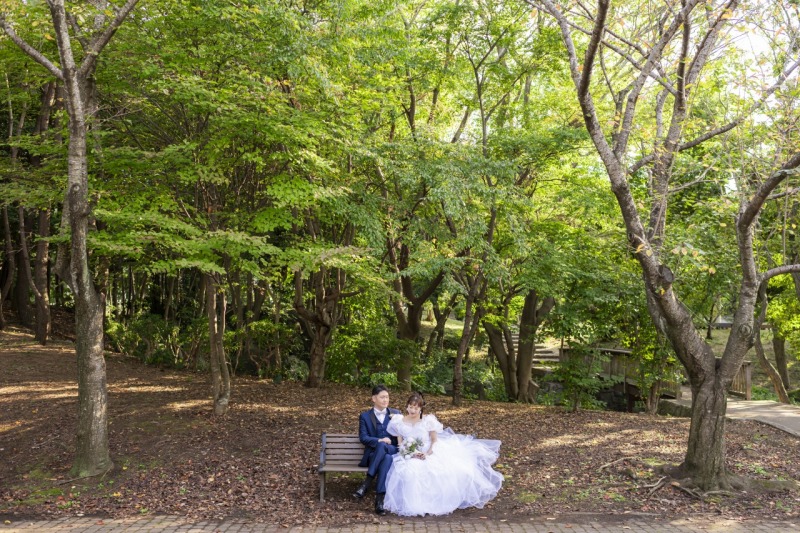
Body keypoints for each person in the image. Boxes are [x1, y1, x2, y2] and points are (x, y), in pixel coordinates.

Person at [383, 392, 503, 517]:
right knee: (410, 470)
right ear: (407, 406)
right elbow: (400, 443)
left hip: (429, 451)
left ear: (421, 408)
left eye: (416, 408)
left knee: (438, 470)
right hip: (409, 454)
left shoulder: (428, 421)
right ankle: (414, 504)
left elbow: (434, 440)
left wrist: (427, 453)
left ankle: (432, 502)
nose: (413, 410)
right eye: (410, 407)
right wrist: (408, 453)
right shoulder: (399, 421)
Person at [354, 384, 401, 515]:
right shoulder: (365, 416)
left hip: (392, 449)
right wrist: (379, 440)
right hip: (374, 454)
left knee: (385, 450)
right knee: (385, 457)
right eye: (382, 397)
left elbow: (402, 434)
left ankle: (366, 483)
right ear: (373, 399)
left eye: (387, 397)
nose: (385, 400)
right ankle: (379, 500)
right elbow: (363, 438)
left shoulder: (396, 414)